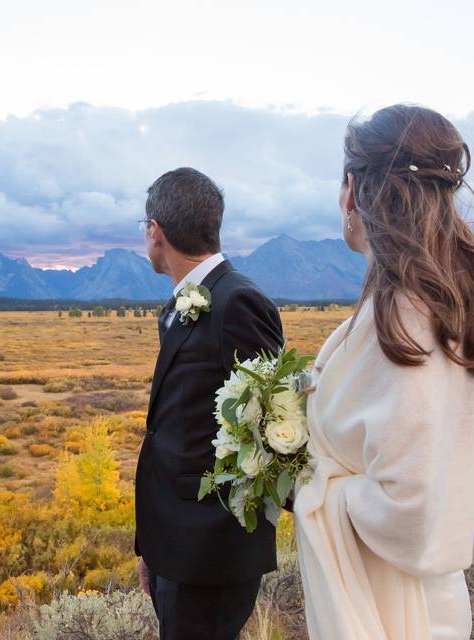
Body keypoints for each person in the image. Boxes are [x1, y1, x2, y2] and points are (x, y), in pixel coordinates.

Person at [292, 104, 474, 640]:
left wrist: (311, 485)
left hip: (397, 610)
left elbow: (409, 508)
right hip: (402, 596)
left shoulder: (409, 320)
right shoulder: (429, 306)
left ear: (352, 190)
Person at [133, 167, 285, 640]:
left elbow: (275, 424)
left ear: (155, 231)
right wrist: (154, 550)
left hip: (211, 554)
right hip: (175, 548)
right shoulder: (186, 303)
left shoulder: (238, 302)